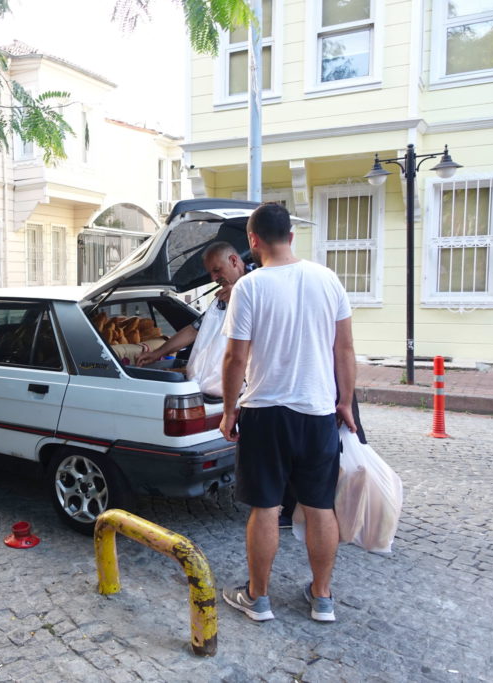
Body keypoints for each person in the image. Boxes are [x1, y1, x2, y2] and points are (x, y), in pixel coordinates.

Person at [219, 202, 356, 624]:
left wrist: (228, 412)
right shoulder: (328, 279)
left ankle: (258, 599)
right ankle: (323, 597)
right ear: (291, 236)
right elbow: (345, 349)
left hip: (265, 412)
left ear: (253, 240)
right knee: (319, 507)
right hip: (317, 412)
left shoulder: (250, 287)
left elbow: (234, 360)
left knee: (266, 509)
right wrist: (345, 403)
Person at [135, 242, 246, 399]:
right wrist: (157, 353)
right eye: (211, 273)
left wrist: (241, 292)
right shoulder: (223, 298)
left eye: (217, 270)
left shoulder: (260, 282)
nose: (214, 278)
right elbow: (194, 329)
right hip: (226, 388)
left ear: (234, 261)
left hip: (256, 389)